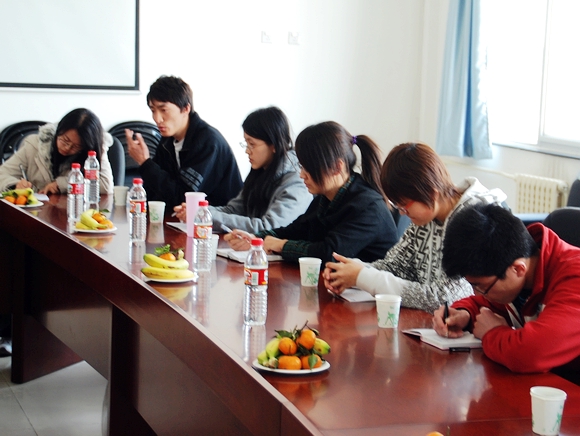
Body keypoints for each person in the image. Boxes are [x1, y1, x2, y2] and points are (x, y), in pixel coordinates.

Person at [323, 142, 507, 313]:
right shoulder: (425, 218)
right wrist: (351, 270)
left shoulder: (474, 221)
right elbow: (396, 267)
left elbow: (445, 297)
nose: (402, 213)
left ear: (431, 194)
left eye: (404, 205)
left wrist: (363, 277)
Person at [433, 203, 580, 380]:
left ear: (518, 269)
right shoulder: (519, 267)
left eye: (481, 287)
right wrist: (464, 314)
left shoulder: (574, 278)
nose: (477, 294)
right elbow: (483, 305)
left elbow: (532, 353)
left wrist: (492, 333)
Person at [225, 121, 398, 263]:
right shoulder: (325, 198)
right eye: (301, 166)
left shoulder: (368, 207)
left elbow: (330, 253)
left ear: (337, 167)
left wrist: (282, 245)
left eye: (309, 168)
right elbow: (296, 230)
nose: (302, 175)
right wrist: (255, 239)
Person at [173, 106, 311, 232]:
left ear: (274, 145)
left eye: (252, 144)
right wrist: (199, 211)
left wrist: (206, 216)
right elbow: (233, 210)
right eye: (246, 143)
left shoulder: (297, 182)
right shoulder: (261, 172)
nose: (247, 150)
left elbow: (269, 227)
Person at [125, 75, 243, 208]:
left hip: (215, 218)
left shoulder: (207, 141)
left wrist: (145, 162)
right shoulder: (168, 140)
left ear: (186, 109)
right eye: (153, 110)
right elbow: (155, 191)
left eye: (164, 110)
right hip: (182, 217)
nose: (157, 118)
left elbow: (184, 198)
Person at [0, 108, 114, 195]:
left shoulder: (94, 152)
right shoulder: (34, 145)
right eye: (65, 140)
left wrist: (61, 184)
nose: (67, 148)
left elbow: (105, 185)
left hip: (76, 209)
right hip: (37, 212)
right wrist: (15, 185)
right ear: (59, 131)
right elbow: (3, 174)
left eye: (76, 146)